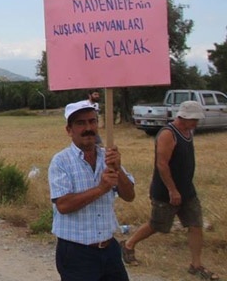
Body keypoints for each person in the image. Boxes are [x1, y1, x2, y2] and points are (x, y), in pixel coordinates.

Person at [120, 101, 219, 281]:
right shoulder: (167, 134)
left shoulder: (188, 132)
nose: (196, 123)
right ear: (184, 117)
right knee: (157, 225)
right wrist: (172, 190)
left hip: (187, 190)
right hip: (166, 191)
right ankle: (128, 244)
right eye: (194, 119)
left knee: (195, 224)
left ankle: (196, 265)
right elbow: (162, 164)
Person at [49, 101, 135, 280]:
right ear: (69, 130)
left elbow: (129, 195)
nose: (88, 128)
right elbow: (63, 205)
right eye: (81, 123)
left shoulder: (108, 157)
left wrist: (118, 169)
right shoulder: (61, 162)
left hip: (109, 248)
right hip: (76, 252)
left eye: (92, 121)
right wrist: (101, 188)